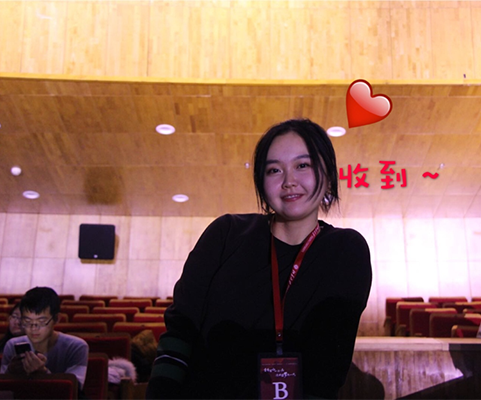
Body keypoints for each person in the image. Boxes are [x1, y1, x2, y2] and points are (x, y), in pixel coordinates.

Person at [147, 119, 372, 400]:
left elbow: (328, 363)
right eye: (274, 170)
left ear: (327, 174)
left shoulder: (346, 250)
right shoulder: (226, 234)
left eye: (303, 165)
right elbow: (181, 332)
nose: (289, 181)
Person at [0, 287, 89, 392]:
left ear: (56, 319)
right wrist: (10, 372)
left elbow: (75, 390)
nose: (33, 328)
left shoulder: (76, 347)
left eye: (41, 322)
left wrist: (43, 373)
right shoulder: (12, 345)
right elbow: (1, 389)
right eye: (27, 321)